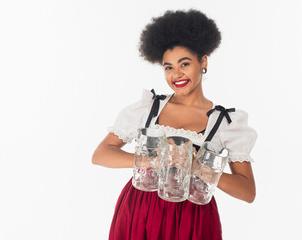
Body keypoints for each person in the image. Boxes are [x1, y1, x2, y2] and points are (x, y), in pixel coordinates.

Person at [92, 9, 257, 240]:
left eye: (185, 64)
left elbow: (247, 191)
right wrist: (153, 160)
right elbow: (100, 154)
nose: (176, 74)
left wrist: (197, 167)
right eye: (168, 67)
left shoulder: (226, 122)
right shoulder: (149, 108)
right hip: (140, 210)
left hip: (193, 217)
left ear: (203, 62)